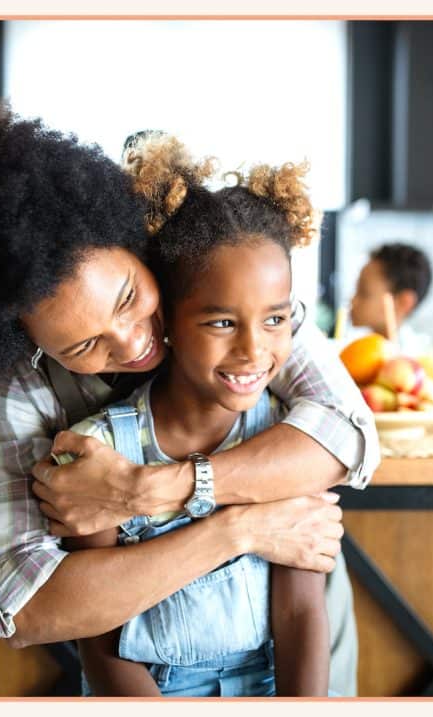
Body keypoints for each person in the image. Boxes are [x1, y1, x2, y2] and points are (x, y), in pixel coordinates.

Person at [0, 103, 378, 695]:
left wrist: (145, 490)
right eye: (85, 343)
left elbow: (347, 436)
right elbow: (26, 605)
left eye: (127, 298)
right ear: (26, 343)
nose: (134, 340)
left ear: (137, 247)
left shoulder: (228, 299)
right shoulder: (20, 383)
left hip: (293, 656)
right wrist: (238, 530)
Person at [60, 135, 327, 696]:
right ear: (169, 326)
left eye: (275, 320)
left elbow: (301, 614)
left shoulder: (284, 443)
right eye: (222, 323)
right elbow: (101, 642)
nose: (254, 352)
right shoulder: (97, 453)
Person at [349, 242, 433, 353]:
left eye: (364, 293)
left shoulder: (408, 362)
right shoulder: (353, 350)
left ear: (403, 302)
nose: (353, 301)